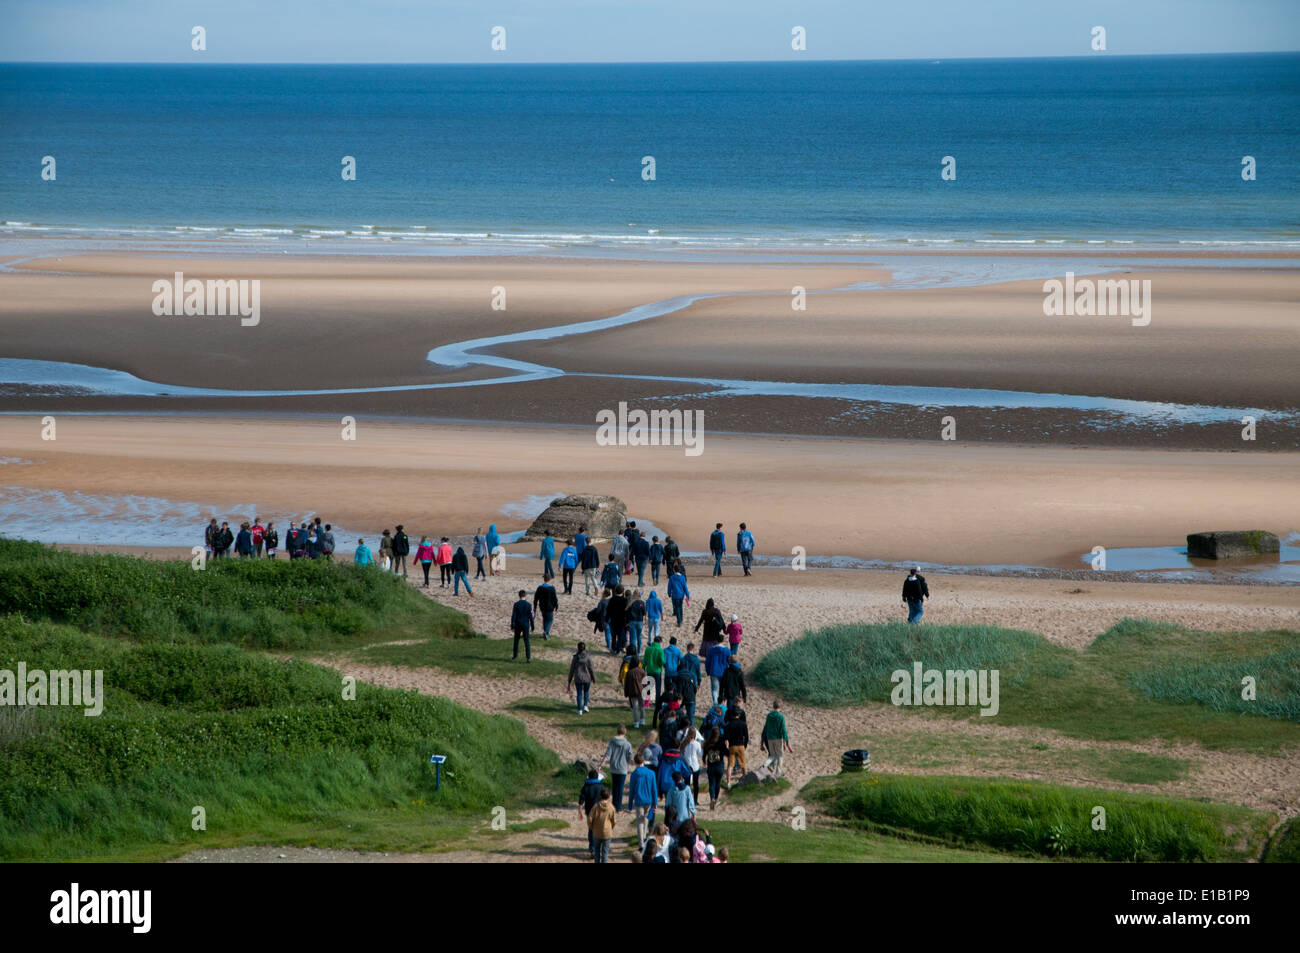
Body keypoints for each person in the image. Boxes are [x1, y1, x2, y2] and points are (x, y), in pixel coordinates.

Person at [628, 754, 658, 849]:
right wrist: (655, 802)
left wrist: (629, 804)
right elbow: (654, 789)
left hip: (639, 801)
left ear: (635, 762)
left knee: (640, 822)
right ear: (643, 761)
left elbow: (631, 790)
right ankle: (644, 840)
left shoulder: (634, 774)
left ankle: (641, 843)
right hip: (648, 800)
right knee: (646, 820)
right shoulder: (651, 773)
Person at [602, 725, 635, 810]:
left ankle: (613, 805)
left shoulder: (612, 742)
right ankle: (619, 807)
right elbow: (629, 757)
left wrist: (601, 764)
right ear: (625, 733)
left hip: (613, 767)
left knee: (614, 787)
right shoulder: (627, 744)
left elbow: (607, 754)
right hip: (623, 769)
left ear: (617, 732)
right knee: (620, 788)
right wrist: (628, 765)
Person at [760, 700, 793, 777]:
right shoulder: (781, 717)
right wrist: (787, 742)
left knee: (772, 755)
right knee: (780, 756)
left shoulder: (769, 715)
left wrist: (762, 741)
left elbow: (766, 727)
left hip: (769, 738)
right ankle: (778, 773)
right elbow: (783, 730)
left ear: (773, 706)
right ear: (780, 707)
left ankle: (764, 765)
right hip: (778, 738)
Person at [578, 768, 604, 858]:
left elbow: (581, 801)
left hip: (589, 811)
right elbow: (605, 799)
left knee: (591, 830)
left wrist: (579, 812)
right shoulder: (601, 787)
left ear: (589, 777)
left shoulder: (586, 787)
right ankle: (599, 849)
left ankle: (592, 849)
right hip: (600, 811)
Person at [588, 788, 616, 864]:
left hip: (597, 832)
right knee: (605, 852)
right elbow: (614, 821)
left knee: (596, 850)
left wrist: (591, 827)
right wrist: (611, 827)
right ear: (609, 796)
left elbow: (590, 818)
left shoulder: (596, 806)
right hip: (607, 832)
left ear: (600, 796)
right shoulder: (611, 807)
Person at [703, 727, 729, 808]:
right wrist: (727, 746)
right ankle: (716, 799)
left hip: (711, 766)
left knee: (711, 784)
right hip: (719, 765)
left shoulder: (707, 743)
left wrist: (704, 762)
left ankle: (712, 799)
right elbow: (728, 754)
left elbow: (704, 756)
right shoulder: (721, 743)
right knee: (718, 784)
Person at [568, 641, 596, 715]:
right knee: (586, 692)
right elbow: (591, 669)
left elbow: (572, 670)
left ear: (578, 648)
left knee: (579, 694)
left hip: (578, 678)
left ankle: (579, 710)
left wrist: (569, 680)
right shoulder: (588, 657)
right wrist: (593, 678)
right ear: (585, 648)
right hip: (587, 678)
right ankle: (585, 706)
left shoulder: (575, 658)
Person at [724, 701, 749, 779]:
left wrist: (727, 748)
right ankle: (745, 779)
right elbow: (746, 737)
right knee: (743, 765)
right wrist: (744, 746)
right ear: (739, 714)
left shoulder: (728, 725)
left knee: (730, 765)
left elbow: (726, 739)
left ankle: (728, 782)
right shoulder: (743, 724)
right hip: (741, 745)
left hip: (732, 746)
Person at [643, 636, 665, 721]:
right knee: (658, 688)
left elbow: (645, 660)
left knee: (648, 687)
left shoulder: (648, 649)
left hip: (650, 670)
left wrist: (644, 667)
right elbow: (662, 661)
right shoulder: (660, 650)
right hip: (657, 671)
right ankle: (657, 703)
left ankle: (646, 703)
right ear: (659, 642)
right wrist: (661, 665)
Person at [623, 653, 647, 728]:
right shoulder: (642, 671)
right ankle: (642, 721)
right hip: (641, 691)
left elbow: (626, 684)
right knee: (642, 706)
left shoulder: (629, 672)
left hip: (632, 692)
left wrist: (626, 693)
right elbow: (645, 682)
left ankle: (636, 722)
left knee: (635, 708)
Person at [679, 643, 701, 725]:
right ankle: (691, 720)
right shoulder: (696, 660)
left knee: (682, 698)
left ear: (687, 649)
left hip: (683, 679)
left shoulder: (683, 659)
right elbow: (698, 672)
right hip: (692, 681)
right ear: (693, 649)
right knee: (692, 699)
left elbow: (679, 669)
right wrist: (699, 682)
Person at [510, 589, 534, 662]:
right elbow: (531, 616)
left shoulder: (516, 604)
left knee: (516, 640)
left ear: (519, 596)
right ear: (525, 596)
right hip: (526, 624)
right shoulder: (529, 605)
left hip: (518, 624)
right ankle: (528, 657)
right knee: (526, 641)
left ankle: (515, 655)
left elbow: (513, 616)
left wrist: (512, 625)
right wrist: (532, 626)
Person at [705, 640, 730, 706]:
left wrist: (708, 671)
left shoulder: (711, 650)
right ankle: (722, 704)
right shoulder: (726, 650)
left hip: (713, 671)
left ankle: (716, 704)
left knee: (714, 690)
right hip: (723, 672)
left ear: (716, 641)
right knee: (723, 689)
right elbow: (730, 661)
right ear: (723, 640)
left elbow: (707, 661)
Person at [681, 726, 703, 801]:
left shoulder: (684, 742)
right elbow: (700, 754)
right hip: (695, 764)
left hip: (686, 764)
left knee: (687, 784)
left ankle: (687, 799)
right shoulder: (697, 744)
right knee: (695, 783)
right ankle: (695, 800)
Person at [605, 585, 628, 654]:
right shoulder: (624, 600)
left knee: (614, 636)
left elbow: (608, 610)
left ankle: (613, 649)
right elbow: (626, 612)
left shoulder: (612, 599)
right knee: (620, 636)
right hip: (621, 621)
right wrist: (627, 621)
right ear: (623, 591)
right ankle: (618, 650)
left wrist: (606, 620)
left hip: (613, 620)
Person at [625, 589, 646, 654]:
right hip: (639, 621)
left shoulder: (631, 603)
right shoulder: (641, 603)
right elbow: (644, 612)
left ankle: (632, 652)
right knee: (639, 637)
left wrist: (627, 622)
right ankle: (639, 652)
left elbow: (627, 613)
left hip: (632, 621)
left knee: (632, 638)